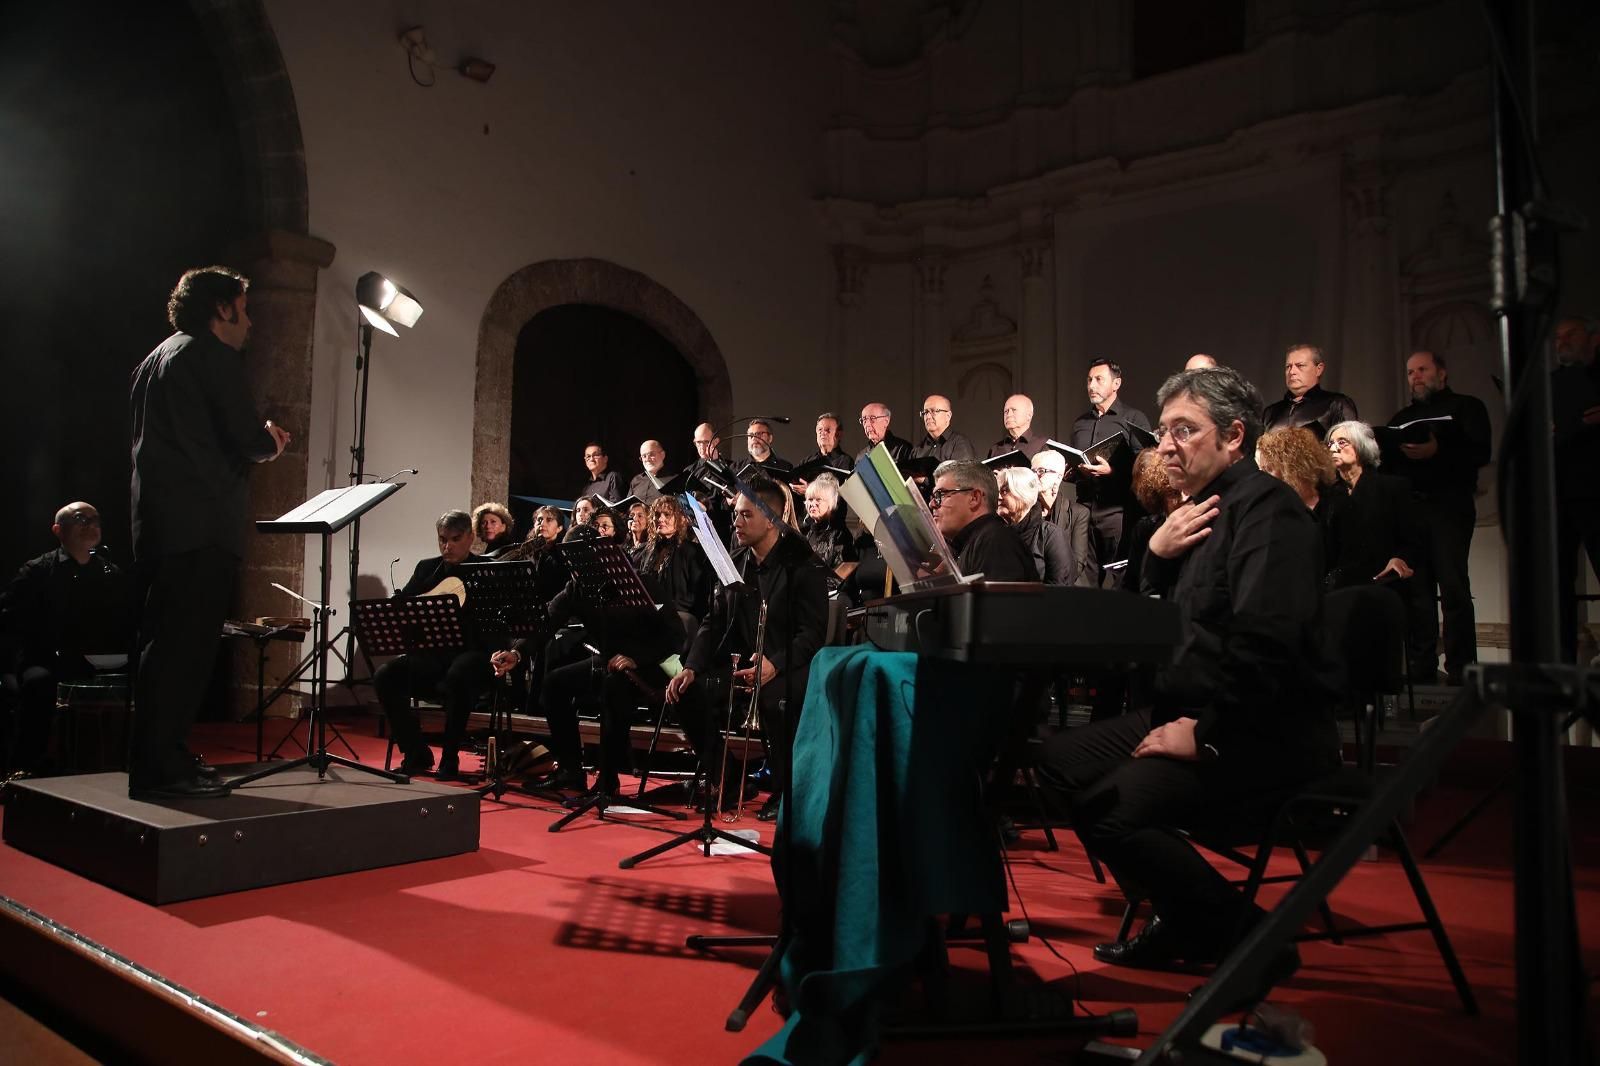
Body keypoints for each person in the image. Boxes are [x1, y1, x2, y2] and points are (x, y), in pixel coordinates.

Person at [1036, 365, 1340, 1000]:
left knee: (1110, 812)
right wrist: (1154, 559)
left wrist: (1205, 734)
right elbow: (1149, 636)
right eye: (1164, 429)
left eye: (1184, 429)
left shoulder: (1269, 512)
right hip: (1186, 710)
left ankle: (1248, 938)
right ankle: (1187, 913)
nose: (1165, 444)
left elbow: (1268, 646)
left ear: (1234, 437)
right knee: (1056, 763)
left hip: (1257, 730)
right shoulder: (1193, 518)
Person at [128, 266, 290, 799]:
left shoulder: (156, 359)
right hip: (201, 527)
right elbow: (246, 439)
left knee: (162, 648)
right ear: (222, 309)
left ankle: (156, 758)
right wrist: (271, 440)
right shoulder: (212, 358)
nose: (249, 322)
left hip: (161, 527)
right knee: (187, 651)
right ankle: (166, 766)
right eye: (244, 309)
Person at [666, 477, 829, 817]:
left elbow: (812, 634)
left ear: (771, 518)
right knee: (685, 691)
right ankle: (728, 776)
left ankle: (786, 791)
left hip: (791, 667)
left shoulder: (803, 563)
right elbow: (713, 622)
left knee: (774, 699)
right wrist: (691, 668)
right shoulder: (735, 562)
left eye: (746, 515)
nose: (736, 522)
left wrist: (775, 665)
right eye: (736, 514)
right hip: (745, 665)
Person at [498, 525, 685, 798]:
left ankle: (608, 781)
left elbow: (675, 637)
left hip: (653, 665)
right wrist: (517, 653)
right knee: (554, 684)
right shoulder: (578, 587)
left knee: (613, 688)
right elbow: (546, 623)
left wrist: (636, 658)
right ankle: (571, 773)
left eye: (579, 560)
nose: (573, 568)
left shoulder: (642, 582)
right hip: (611, 664)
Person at [1382, 350, 1492, 684]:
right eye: (1410, 371)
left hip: (1449, 505)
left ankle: (1461, 667)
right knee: (1417, 591)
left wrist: (1437, 450)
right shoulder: (1402, 416)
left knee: (1454, 586)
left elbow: (1480, 453)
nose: (1415, 376)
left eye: (1422, 370)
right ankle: (1422, 665)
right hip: (1413, 508)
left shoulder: (1466, 407)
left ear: (1441, 374)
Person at [1, 502, 132, 776]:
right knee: (38, 682)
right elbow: (10, 618)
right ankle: (25, 767)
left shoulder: (111, 574)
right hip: (47, 658)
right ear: (58, 530)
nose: (91, 525)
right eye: (81, 519)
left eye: (96, 520)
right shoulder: (37, 571)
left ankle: (127, 762)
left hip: (98, 660)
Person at [372, 511, 492, 780]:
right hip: (433, 655)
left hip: (471, 655)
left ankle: (450, 758)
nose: (446, 546)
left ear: (470, 538)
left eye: (455, 539)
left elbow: (493, 627)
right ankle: (416, 752)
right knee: (386, 676)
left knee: (458, 674)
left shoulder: (485, 571)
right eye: (442, 540)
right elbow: (406, 604)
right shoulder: (427, 568)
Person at [1065, 359, 1152, 586]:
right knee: (1084, 580)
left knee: (1118, 580)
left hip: (1116, 511)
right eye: (1089, 380)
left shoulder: (1132, 418)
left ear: (1116, 384)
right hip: (1084, 510)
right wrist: (1070, 472)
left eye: (1098, 379)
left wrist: (1112, 471)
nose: (1091, 385)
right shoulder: (1079, 423)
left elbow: (1145, 465)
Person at [1324, 421, 1421, 590]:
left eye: (1342, 442)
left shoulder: (1392, 487)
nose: (1333, 448)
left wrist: (1400, 558)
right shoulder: (1328, 494)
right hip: (1340, 586)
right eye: (1330, 443)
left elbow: (1412, 536)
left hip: (1383, 579)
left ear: (1362, 447)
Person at [1553, 317, 1600, 663]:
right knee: (1559, 581)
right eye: (1557, 337)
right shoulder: (1549, 384)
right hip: (1558, 491)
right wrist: (1577, 424)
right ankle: (1564, 658)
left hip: (1595, 487)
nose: (1562, 341)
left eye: (1571, 334)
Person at [929, 460, 1034, 581]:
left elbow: (998, 600)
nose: (932, 504)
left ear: (974, 498)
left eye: (940, 495)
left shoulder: (995, 543)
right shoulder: (978, 542)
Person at [638, 495, 712, 638]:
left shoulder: (692, 551)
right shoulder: (648, 551)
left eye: (667, 514)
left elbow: (699, 597)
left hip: (680, 618)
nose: (660, 519)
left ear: (681, 519)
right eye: (657, 515)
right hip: (652, 613)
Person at [995, 468, 1074, 585]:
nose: (998, 496)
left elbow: (1060, 589)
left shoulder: (1050, 535)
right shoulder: (995, 535)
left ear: (1023, 494)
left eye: (1005, 491)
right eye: (998, 491)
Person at [1262, 344, 1359, 439]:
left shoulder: (1337, 404)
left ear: (1319, 369)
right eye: (1288, 366)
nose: (1292, 372)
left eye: (1300, 365)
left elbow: (1349, 447)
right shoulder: (1271, 412)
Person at [1030, 450, 1097, 588]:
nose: (1035, 476)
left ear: (1058, 477)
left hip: (1067, 587)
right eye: (1032, 471)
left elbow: (1077, 564)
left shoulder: (1079, 512)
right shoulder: (1026, 510)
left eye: (1041, 471)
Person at [1255, 427, 1339, 514]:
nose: (1261, 476)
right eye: (1261, 469)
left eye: (1268, 469)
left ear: (1292, 468)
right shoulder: (1270, 508)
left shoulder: (1335, 504)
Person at [801, 473, 858, 587]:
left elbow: (843, 573)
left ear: (831, 503)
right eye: (810, 499)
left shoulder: (840, 535)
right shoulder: (805, 533)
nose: (812, 504)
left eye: (818, 499)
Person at [912, 394, 976, 465]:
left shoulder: (960, 444)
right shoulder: (918, 449)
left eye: (934, 411)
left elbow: (962, 474)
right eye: (925, 412)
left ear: (948, 416)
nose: (928, 416)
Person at [987, 393, 1050, 460]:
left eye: (1014, 410)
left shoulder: (1043, 445)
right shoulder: (995, 449)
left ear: (1029, 415)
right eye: (1006, 411)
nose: (1009, 414)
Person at [630, 440, 669, 504]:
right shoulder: (636, 480)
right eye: (644, 456)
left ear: (663, 455)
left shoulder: (674, 480)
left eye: (651, 454)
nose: (647, 459)